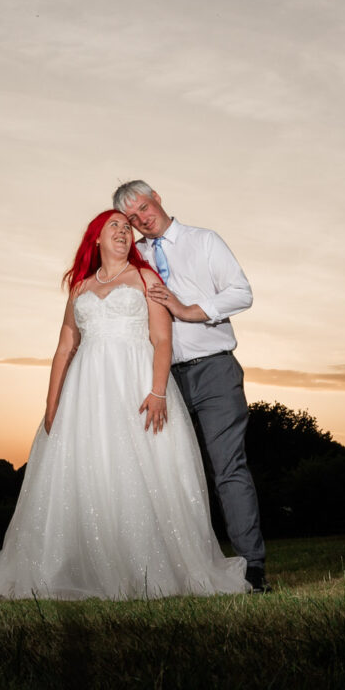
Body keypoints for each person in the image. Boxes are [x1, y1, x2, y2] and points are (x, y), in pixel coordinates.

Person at [0, 209, 251, 601]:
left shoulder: (146, 278)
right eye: (112, 225)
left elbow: (162, 340)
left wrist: (158, 391)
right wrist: (52, 406)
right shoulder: (79, 289)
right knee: (91, 469)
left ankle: (151, 567)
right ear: (95, 238)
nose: (122, 231)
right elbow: (65, 346)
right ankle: (88, 568)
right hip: (86, 390)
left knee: (143, 468)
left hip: (135, 384)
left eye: (126, 227)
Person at [113, 180, 269, 593]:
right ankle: (176, 570)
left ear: (157, 198)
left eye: (144, 208)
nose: (141, 220)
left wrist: (187, 310)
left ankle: (252, 568)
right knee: (166, 474)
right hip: (162, 379)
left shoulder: (204, 241)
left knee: (227, 468)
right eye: (132, 218)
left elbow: (242, 292)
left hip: (214, 370)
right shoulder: (135, 257)